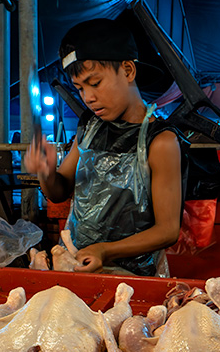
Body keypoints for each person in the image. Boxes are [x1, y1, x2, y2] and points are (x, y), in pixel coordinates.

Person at [23, 18, 182, 275]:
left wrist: (105, 250)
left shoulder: (160, 141)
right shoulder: (89, 127)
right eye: (80, 88)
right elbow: (59, 191)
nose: (88, 98)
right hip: (77, 263)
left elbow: (167, 230)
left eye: (95, 83)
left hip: (133, 277)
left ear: (128, 71)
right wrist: (45, 172)